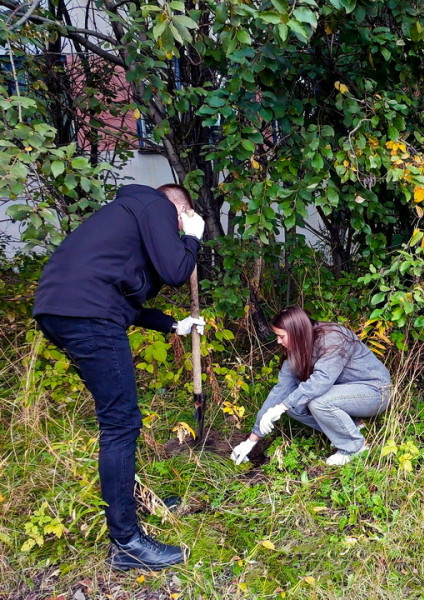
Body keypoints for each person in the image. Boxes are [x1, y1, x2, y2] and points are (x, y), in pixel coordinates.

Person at [33, 183, 206, 571]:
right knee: (121, 423)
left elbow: (124, 300)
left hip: (62, 311)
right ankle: (126, 542)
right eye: (180, 225)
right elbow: (177, 270)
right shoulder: (154, 205)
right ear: (179, 213)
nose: (176, 232)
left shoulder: (123, 222)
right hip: (88, 316)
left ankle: (131, 505)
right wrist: (192, 239)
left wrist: (172, 324)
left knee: (118, 420)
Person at [231, 306, 391, 467]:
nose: (278, 341)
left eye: (281, 336)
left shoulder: (332, 339)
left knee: (318, 402)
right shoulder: (295, 351)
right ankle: (354, 426)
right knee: (294, 406)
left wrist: (281, 406)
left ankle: (355, 447)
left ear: (296, 332)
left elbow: (322, 380)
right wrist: (251, 440)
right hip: (344, 396)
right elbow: (280, 391)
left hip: (375, 391)